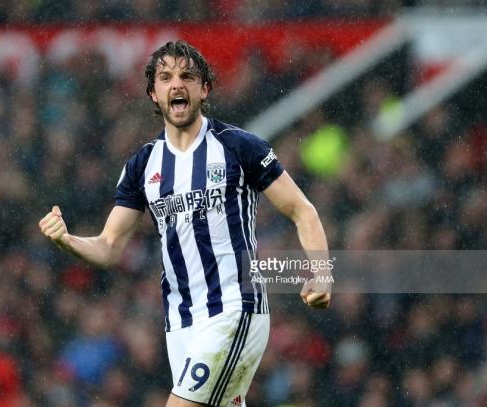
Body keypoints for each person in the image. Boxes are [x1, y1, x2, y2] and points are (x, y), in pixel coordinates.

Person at [39, 40, 330, 407]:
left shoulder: (239, 147)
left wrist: (322, 274)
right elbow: (110, 247)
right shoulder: (143, 166)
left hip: (233, 309)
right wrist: (66, 240)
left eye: (187, 76)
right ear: (153, 94)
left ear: (204, 89)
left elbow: (303, 211)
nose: (177, 84)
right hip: (180, 324)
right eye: (165, 77)